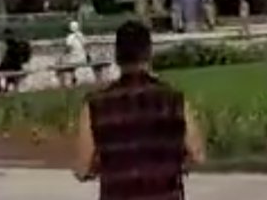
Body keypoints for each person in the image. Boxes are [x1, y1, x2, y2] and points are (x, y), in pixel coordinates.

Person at [75, 20, 203, 198]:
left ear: (117, 56)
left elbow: (82, 168)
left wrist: (103, 165)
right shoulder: (174, 100)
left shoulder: (95, 105)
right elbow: (197, 154)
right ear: (149, 53)